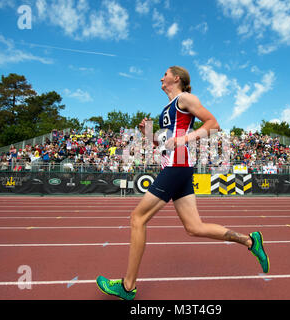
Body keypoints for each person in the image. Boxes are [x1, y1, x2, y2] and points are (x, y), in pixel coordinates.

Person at [96, 66, 269, 300]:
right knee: (194, 227)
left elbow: (213, 124)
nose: (161, 77)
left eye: (165, 74)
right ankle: (250, 241)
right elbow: (164, 143)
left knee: (138, 218)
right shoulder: (168, 109)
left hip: (178, 166)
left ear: (176, 78)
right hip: (177, 167)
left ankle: (127, 287)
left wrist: (185, 139)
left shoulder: (185, 98)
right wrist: (148, 134)